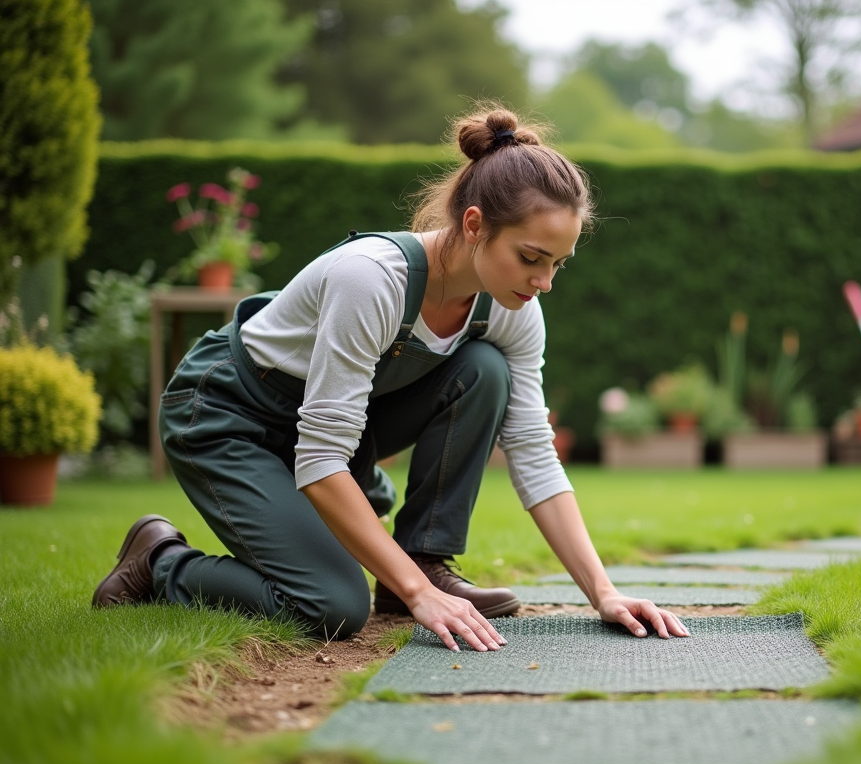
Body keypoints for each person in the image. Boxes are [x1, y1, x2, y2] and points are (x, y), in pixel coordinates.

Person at [92, 107, 690, 652]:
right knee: (330, 606)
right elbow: (321, 458)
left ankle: (424, 565)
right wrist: (418, 598)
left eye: (557, 264)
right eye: (531, 258)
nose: (544, 283)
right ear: (475, 225)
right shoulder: (370, 280)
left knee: (482, 371)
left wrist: (603, 593)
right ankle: (160, 560)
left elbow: (532, 450)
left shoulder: (512, 309)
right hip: (230, 416)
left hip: (323, 429)